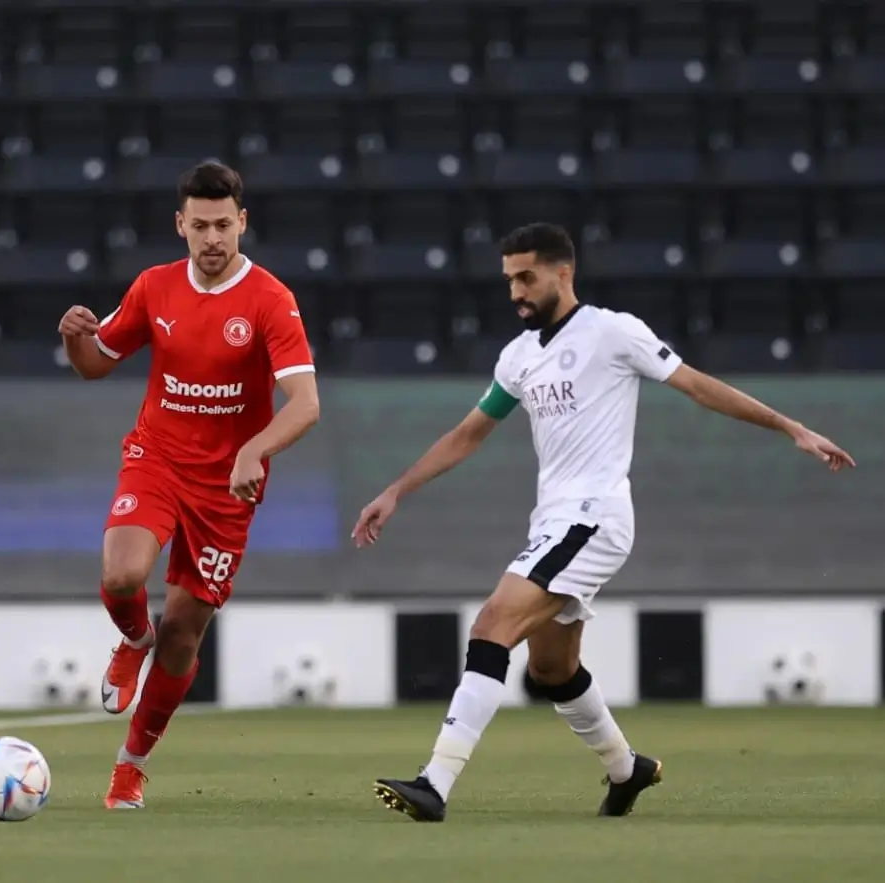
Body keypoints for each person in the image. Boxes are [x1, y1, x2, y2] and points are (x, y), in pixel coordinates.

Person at [359, 223, 855, 822]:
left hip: (594, 518)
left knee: (492, 625)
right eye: (509, 279)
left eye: (527, 277)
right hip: (554, 521)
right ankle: (629, 770)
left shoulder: (613, 332)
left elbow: (697, 386)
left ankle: (434, 784)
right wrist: (396, 491)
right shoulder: (518, 357)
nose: (515, 290)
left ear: (563, 272)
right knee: (551, 669)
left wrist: (791, 428)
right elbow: (471, 433)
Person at [58, 161, 322, 809]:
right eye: (199, 225)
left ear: (242, 224)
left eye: (223, 225)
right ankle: (131, 637)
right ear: (180, 225)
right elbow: (97, 365)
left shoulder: (269, 299)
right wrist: (74, 341)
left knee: (184, 633)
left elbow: (305, 402)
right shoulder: (154, 287)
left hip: (227, 487)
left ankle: (130, 765)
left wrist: (255, 450)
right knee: (122, 576)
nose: (211, 237)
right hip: (157, 457)